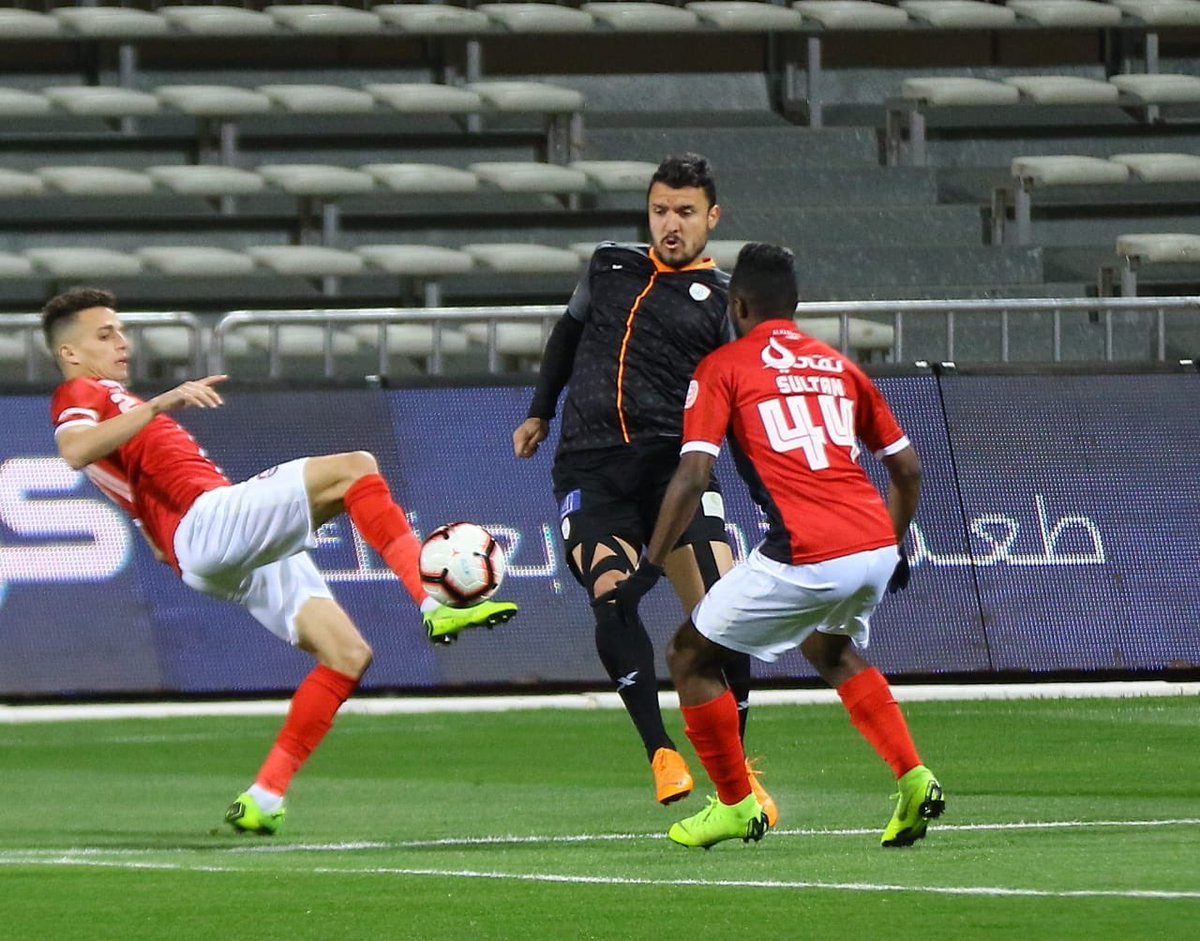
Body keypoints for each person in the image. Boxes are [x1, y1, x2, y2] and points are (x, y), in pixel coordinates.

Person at [42, 287, 517, 836]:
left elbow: (139, 513)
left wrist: (161, 527)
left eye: (121, 330)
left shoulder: (116, 413)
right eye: (106, 334)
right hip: (208, 523)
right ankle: (432, 597)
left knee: (347, 655)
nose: (122, 342)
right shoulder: (82, 390)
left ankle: (265, 795)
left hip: (209, 548)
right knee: (355, 468)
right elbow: (74, 450)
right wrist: (160, 403)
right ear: (71, 354)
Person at [612, 242, 944, 849]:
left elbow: (690, 477)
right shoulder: (840, 367)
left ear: (736, 304)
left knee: (689, 656)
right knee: (832, 650)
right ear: (796, 306)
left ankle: (737, 803)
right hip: (872, 540)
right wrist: (890, 548)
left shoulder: (725, 367)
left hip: (808, 549)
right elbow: (910, 471)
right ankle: (914, 777)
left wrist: (648, 566)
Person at [512, 153, 774, 822]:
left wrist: (771, 501)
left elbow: (740, 406)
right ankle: (661, 752)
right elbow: (567, 335)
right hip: (591, 466)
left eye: (685, 212)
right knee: (610, 591)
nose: (671, 224)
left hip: (673, 473)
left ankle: (737, 776)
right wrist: (540, 408)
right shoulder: (607, 266)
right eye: (661, 210)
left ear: (712, 218)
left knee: (725, 615)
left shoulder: (722, 301)